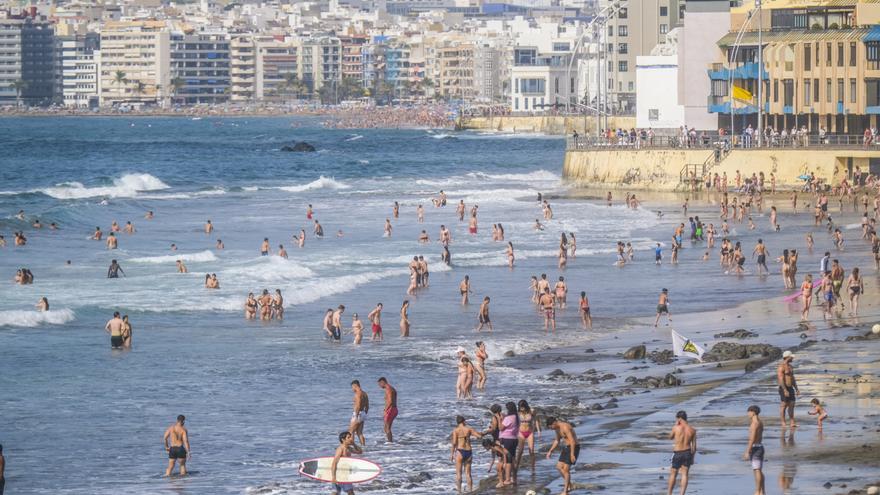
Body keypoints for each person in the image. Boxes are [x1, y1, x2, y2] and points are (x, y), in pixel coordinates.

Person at [546, 417, 579, 495]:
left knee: (566, 469)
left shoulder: (565, 427)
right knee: (559, 467)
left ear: (554, 423)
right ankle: (570, 485)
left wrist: (572, 454)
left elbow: (572, 441)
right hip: (566, 448)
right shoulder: (557, 429)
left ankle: (565, 491)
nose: (551, 429)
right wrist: (550, 451)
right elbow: (557, 440)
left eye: (551, 427)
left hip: (574, 447)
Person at [667, 411, 697, 495]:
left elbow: (670, 437)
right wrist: (692, 458)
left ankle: (669, 493)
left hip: (677, 452)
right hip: (687, 453)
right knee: (685, 474)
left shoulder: (676, 427)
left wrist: (676, 425)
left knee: (673, 473)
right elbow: (694, 447)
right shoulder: (692, 430)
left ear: (679, 418)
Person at [451, 416, 481, 493]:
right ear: (464, 421)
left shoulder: (456, 430)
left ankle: (459, 492)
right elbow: (479, 436)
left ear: (457, 422)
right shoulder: (469, 428)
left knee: (459, 473)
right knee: (468, 474)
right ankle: (470, 491)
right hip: (468, 451)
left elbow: (454, 443)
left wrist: (451, 454)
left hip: (460, 451)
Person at [743, 405, 765, 495]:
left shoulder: (754, 424)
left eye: (749, 412)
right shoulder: (760, 422)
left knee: (757, 470)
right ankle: (762, 491)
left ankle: (757, 491)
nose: (748, 414)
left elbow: (751, 439)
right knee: (758, 470)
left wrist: (747, 451)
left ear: (753, 412)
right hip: (760, 446)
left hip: (755, 448)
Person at [516, 400, 541, 470]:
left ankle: (533, 468)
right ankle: (516, 466)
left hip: (530, 432)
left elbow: (536, 420)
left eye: (522, 407)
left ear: (525, 406)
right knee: (520, 451)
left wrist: (538, 430)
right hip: (521, 432)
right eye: (520, 407)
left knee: (531, 451)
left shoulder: (531, 411)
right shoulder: (518, 413)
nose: (521, 409)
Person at [777, 351, 799, 428]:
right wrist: (785, 390)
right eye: (791, 357)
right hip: (784, 388)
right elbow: (781, 379)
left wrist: (796, 388)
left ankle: (792, 422)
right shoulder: (781, 367)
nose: (792, 358)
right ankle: (783, 422)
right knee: (784, 405)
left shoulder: (790, 367)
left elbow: (792, 378)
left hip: (791, 388)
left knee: (792, 404)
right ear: (787, 357)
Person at [349, 380, 369, 446]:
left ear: (355, 385)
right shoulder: (365, 394)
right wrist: (364, 414)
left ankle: (352, 447)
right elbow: (367, 406)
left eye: (352, 387)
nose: (352, 389)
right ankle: (363, 447)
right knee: (359, 433)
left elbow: (358, 405)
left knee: (351, 432)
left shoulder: (357, 394)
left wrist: (356, 416)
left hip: (358, 414)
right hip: (363, 413)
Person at [378, 377, 397, 442]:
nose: (379, 386)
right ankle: (390, 442)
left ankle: (390, 443)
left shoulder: (388, 389)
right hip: (393, 409)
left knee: (387, 428)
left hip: (391, 409)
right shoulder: (391, 388)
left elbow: (390, 401)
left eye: (379, 384)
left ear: (382, 382)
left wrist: (385, 410)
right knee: (387, 428)